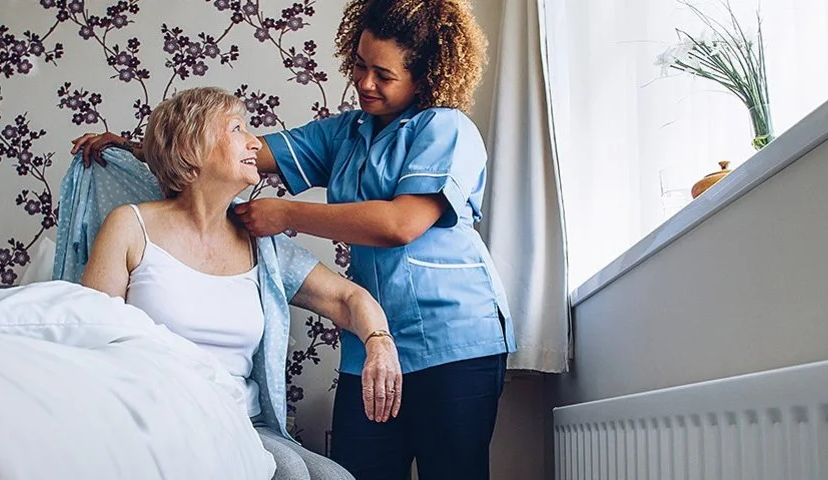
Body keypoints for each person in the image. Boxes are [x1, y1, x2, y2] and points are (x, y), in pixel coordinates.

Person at [72, 1, 512, 477]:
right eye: (360, 66)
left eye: (382, 75)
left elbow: (400, 224)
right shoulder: (346, 134)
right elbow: (230, 150)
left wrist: (284, 214)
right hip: (367, 345)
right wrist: (143, 148)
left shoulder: (447, 129)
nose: (365, 83)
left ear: (425, 75)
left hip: (454, 338)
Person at [74, 87, 403, 480]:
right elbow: (89, 335)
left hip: (244, 421)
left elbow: (348, 298)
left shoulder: (261, 244)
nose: (253, 143)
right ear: (190, 149)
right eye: (236, 129)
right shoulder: (130, 225)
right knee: (290, 472)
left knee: (335, 477)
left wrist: (379, 342)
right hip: (160, 416)